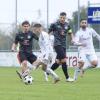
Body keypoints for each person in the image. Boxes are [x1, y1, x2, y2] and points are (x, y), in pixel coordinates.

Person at [48, 12, 74, 82]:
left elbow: (70, 32)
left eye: (64, 18)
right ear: (59, 17)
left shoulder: (67, 25)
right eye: (61, 17)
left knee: (58, 62)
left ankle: (48, 72)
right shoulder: (54, 24)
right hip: (57, 44)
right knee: (64, 60)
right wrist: (47, 41)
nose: (62, 19)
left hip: (64, 45)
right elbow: (48, 32)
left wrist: (72, 39)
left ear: (65, 18)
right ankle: (67, 78)